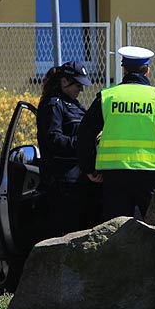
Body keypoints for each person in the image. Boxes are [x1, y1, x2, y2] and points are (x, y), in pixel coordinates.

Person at [77, 46, 155, 221]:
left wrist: (89, 168)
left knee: (116, 231)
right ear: (147, 71)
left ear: (124, 69)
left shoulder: (107, 97)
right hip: (152, 174)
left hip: (115, 175)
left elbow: (85, 134)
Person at [37, 61, 102, 237]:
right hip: (63, 184)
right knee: (66, 235)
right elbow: (54, 140)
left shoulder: (75, 105)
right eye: (78, 84)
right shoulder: (53, 105)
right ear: (64, 81)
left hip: (81, 181)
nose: (80, 90)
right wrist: (84, 142)